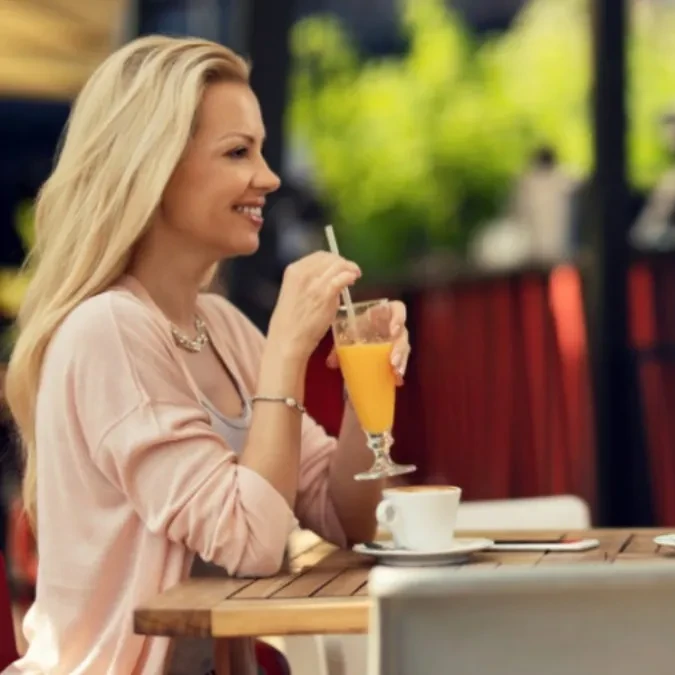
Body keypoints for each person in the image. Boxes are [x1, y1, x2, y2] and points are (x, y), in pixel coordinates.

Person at [2, 36, 411, 674]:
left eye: (262, 150)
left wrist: (366, 386)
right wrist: (286, 349)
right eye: (238, 152)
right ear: (155, 166)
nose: (269, 177)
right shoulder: (107, 331)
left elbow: (347, 520)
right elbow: (250, 541)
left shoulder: (219, 326)